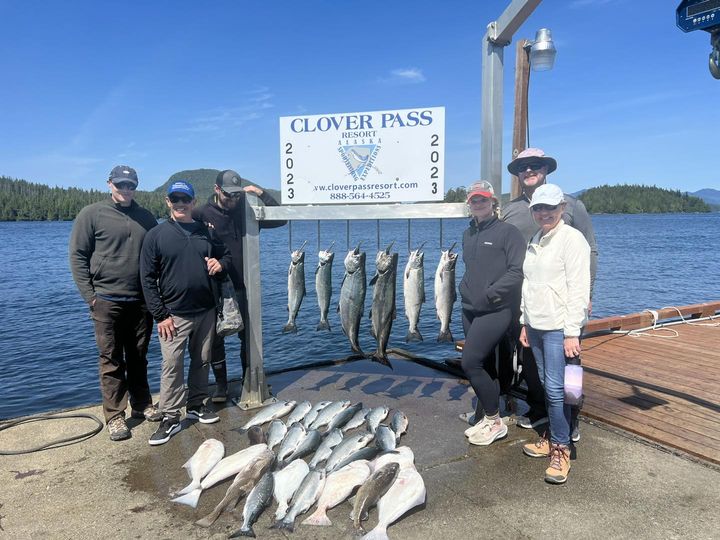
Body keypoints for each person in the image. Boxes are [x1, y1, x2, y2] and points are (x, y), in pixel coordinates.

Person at [502, 148, 598, 441]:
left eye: (535, 165)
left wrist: (588, 293)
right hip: (529, 303)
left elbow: (590, 250)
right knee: (532, 362)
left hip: (566, 302)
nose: (528, 170)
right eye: (522, 166)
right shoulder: (510, 209)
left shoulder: (572, 205)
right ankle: (540, 409)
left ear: (545, 169)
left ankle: (572, 417)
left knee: (570, 365)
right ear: (518, 173)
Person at [69, 165, 161, 441]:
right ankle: (115, 415)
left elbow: (157, 255)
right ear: (110, 184)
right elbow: (77, 256)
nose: (126, 190)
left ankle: (142, 404)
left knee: (138, 356)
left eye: (130, 185)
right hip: (106, 300)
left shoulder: (146, 217)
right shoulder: (92, 214)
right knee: (110, 358)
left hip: (140, 300)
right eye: (121, 185)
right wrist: (91, 296)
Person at [140, 180, 232, 446]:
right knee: (172, 366)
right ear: (168, 202)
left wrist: (220, 263)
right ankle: (170, 416)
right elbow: (146, 279)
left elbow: (225, 256)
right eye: (175, 199)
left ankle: (196, 404)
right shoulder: (156, 236)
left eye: (185, 199)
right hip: (173, 315)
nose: (180, 204)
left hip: (206, 310)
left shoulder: (206, 232)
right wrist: (160, 315)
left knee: (202, 360)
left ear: (193, 202)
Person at [519, 183, 590, 484]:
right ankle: (552, 437)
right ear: (533, 211)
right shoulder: (536, 238)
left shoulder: (572, 240)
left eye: (550, 207)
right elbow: (528, 283)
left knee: (556, 388)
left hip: (558, 328)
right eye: (539, 208)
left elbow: (578, 288)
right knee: (548, 384)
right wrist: (524, 320)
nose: (544, 213)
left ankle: (562, 447)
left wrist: (572, 332)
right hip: (536, 324)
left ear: (562, 208)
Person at [192, 169, 284, 403]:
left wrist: (261, 193)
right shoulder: (202, 213)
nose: (232, 199)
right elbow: (184, 235)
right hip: (215, 285)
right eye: (227, 195)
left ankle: (248, 381)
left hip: (245, 286)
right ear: (216, 190)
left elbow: (281, 218)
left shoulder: (247, 208)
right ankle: (221, 386)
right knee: (215, 340)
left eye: (236, 195)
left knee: (249, 339)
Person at [459, 181, 526, 446]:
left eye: (483, 200)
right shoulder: (468, 234)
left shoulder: (508, 233)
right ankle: (484, 414)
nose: (479, 204)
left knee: (470, 362)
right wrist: (465, 290)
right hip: (469, 309)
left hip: (496, 309)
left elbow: (517, 271)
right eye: (474, 200)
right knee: (485, 363)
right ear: (469, 204)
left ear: (494, 203)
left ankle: (495, 421)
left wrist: (490, 293)